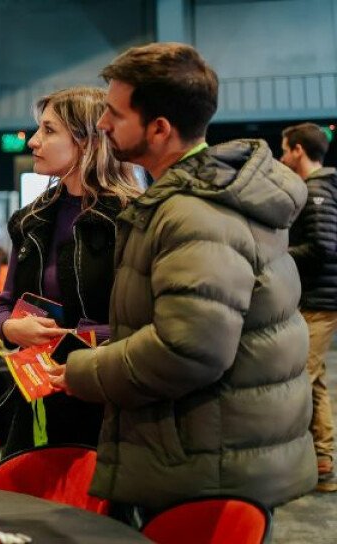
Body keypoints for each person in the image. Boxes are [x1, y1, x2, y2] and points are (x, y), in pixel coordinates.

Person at [51, 42, 316, 513]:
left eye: (115, 113)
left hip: (209, 468)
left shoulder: (195, 214)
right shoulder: (199, 199)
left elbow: (187, 350)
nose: (103, 124)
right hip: (213, 453)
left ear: (159, 128)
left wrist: (83, 372)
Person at [0, 87, 140, 455]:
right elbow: (5, 306)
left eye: (49, 130)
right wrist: (11, 328)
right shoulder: (30, 220)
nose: (34, 142)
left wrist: (78, 337)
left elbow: (149, 324)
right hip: (39, 400)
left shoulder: (132, 219)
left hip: (110, 402)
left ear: (87, 141)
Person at [281, 122, 337, 492]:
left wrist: (278, 255)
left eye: (285, 149)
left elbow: (322, 245)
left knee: (303, 378)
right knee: (311, 378)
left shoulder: (316, 190)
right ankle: (321, 461)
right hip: (316, 298)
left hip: (320, 300)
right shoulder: (316, 188)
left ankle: (318, 462)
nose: (282, 156)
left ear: (299, 150)